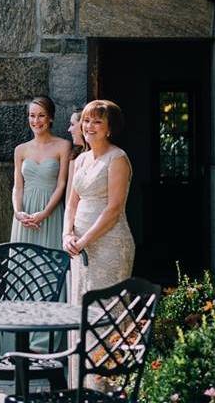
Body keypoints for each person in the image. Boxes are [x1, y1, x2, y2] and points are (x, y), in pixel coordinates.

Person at [64, 100, 135, 303]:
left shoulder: (117, 158)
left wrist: (84, 241)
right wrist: (67, 235)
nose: (88, 126)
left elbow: (114, 209)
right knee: (81, 304)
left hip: (109, 243)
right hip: (78, 246)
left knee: (108, 307)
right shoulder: (80, 160)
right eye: (86, 120)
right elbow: (71, 203)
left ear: (109, 129)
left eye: (96, 122)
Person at [10, 96, 71, 250]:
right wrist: (18, 212)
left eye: (41, 115)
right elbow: (18, 187)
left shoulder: (63, 146)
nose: (36, 121)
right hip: (25, 213)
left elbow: (61, 185)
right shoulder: (20, 150)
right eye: (32, 115)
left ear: (50, 118)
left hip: (50, 211)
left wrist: (44, 213)